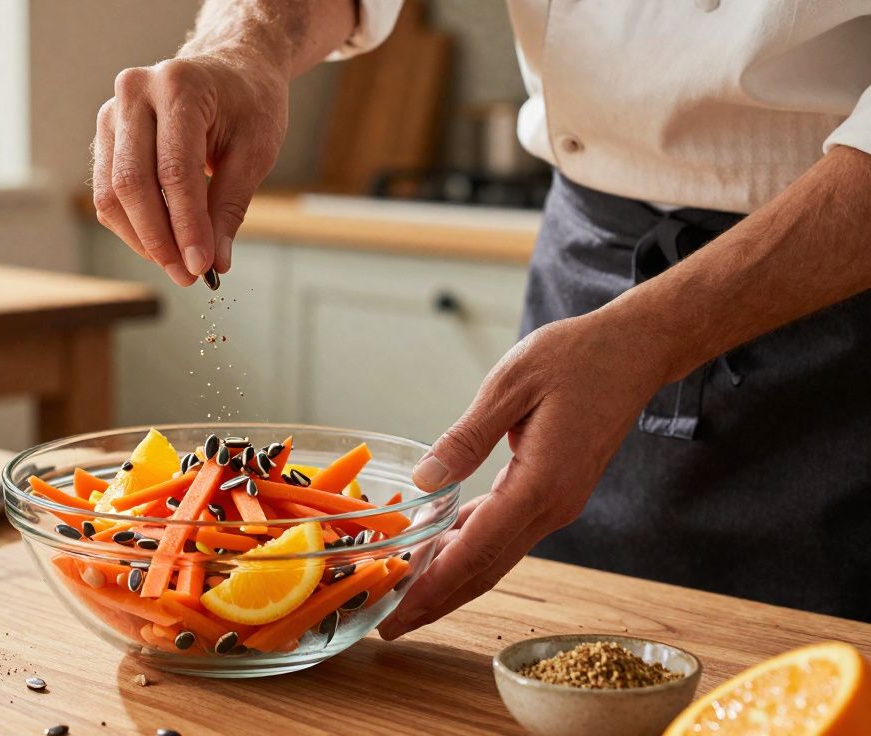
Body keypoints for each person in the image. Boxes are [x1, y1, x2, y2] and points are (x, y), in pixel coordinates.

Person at [90, 0, 871, 631]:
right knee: (569, 644)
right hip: (591, 261)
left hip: (840, 291)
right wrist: (246, 40)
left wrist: (656, 332)